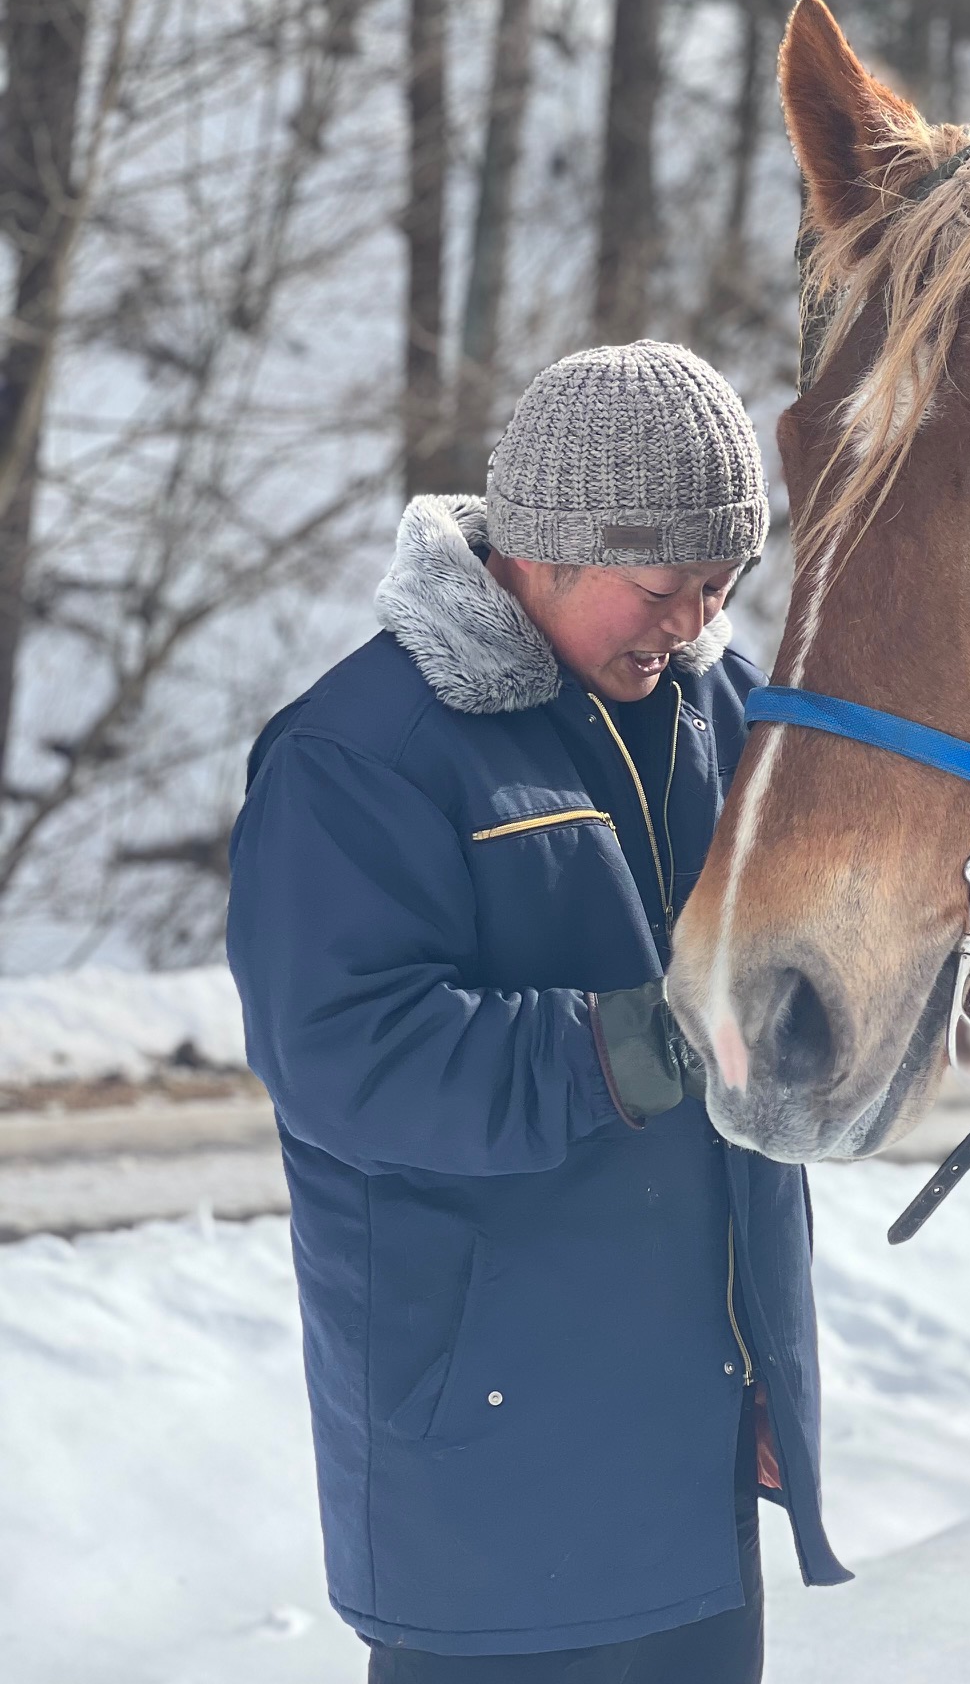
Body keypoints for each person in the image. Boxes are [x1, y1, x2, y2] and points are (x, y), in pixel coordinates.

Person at [227, 340, 848, 1682]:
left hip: (690, 1456)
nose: (693, 623)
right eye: (662, 588)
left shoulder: (726, 710)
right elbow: (342, 1058)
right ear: (547, 549)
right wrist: (640, 1045)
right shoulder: (360, 754)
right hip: (490, 1481)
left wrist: (768, 1369)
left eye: (722, 584)